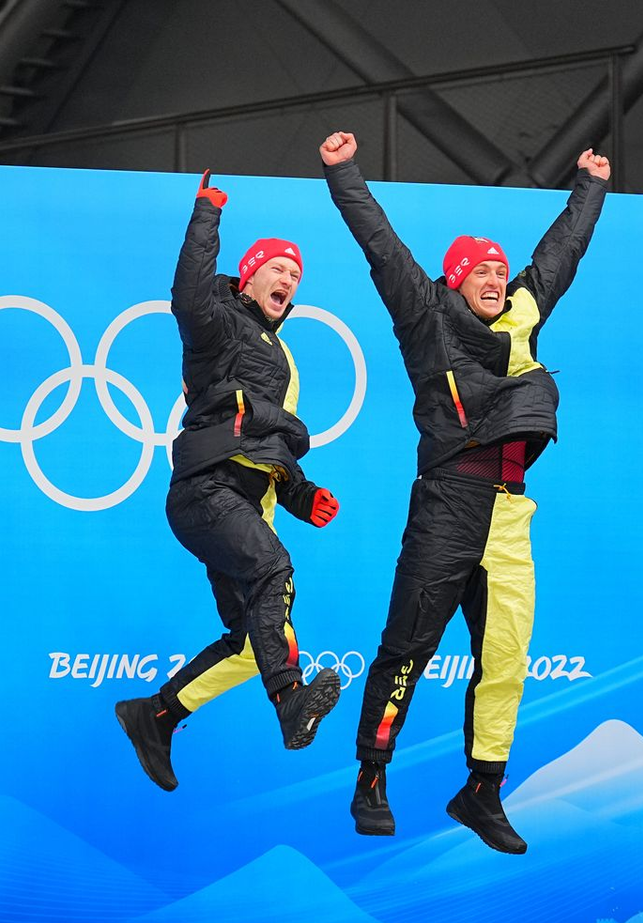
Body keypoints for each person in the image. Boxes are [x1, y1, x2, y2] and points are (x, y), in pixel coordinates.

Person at [319, 129, 609, 851]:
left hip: (510, 513)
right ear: (455, 280)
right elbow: (381, 245)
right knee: (408, 646)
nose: (496, 276)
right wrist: (344, 172)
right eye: (481, 269)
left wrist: (590, 187)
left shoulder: (522, 316)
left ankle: (482, 789)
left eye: (500, 270)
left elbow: (560, 255)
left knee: (506, 655)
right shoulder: (426, 316)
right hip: (448, 501)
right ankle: (372, 772)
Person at [116, 171, 341, 791]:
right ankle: (289, 700)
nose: (289, 280)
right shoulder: (217, 326)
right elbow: (188, 297)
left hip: (240, 498)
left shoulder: (282, 355)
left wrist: (302, 495)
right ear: (249, 275)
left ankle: (155, 715)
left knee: (250, 640)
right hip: (206, 489)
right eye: (278, 269)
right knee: (275, 571)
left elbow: (270, 450)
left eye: (296, 276)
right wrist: (206, 214)